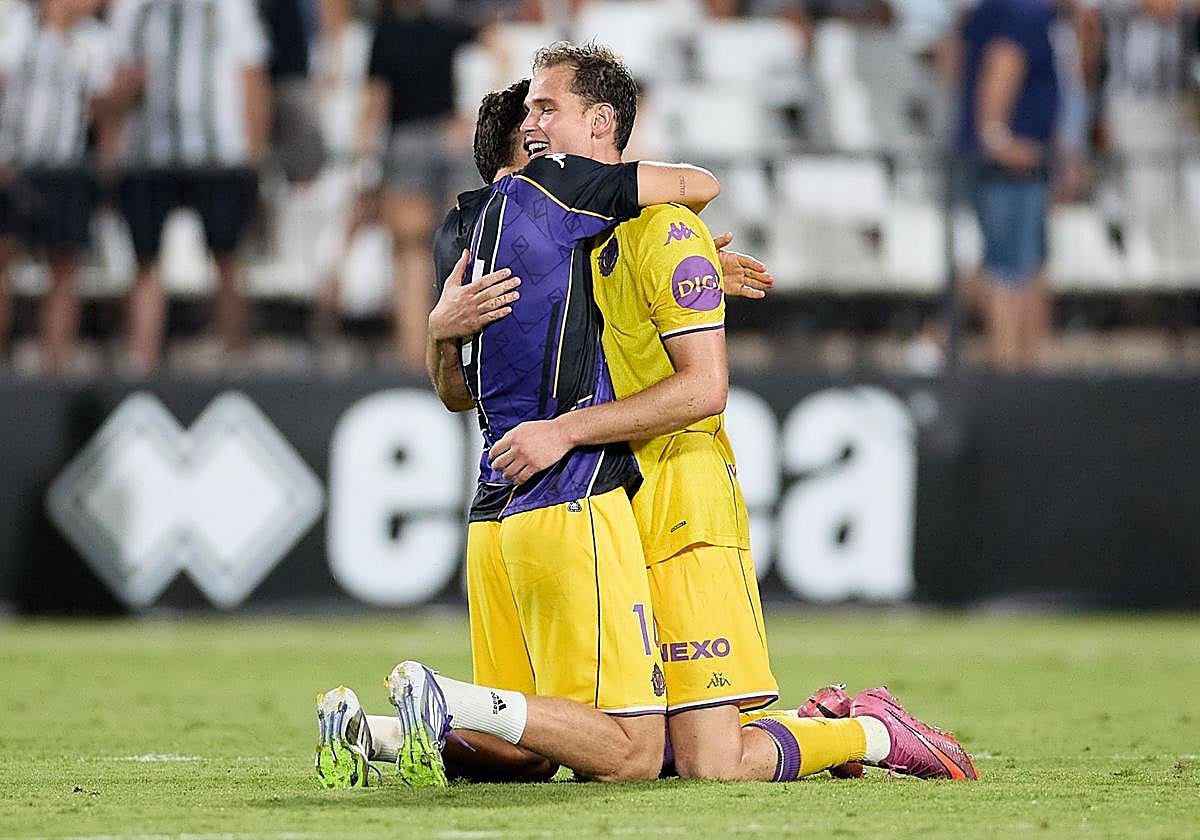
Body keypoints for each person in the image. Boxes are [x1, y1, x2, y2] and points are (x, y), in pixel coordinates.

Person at [485, 42, 979, 783]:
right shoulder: (578, 232)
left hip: (681, 506)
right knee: (632, 750)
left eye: (546, 109)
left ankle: (871, 731)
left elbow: (703, 389)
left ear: (600, 123)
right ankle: (824, 724)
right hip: (607, 516)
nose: (531, 125)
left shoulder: (667, 228)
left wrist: (564, 431)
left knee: (712, 765)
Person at [317, 79, 730, 788]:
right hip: (569, 498)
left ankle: (377, 735)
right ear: (532, 156)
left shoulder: (473, 237)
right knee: (633, 751)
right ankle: (444, 700)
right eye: (537, 124)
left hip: (492, 517)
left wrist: (435, 331)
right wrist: (680, 238)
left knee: (531, 746)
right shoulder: (556, 194)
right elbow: (700, 183)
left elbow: (453, 392)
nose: (548, 135)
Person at [108, 0, 271, 371]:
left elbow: (251, 72)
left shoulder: (231, 6)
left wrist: (255, 149)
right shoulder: (134, 8)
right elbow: (117, 75)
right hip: (149, 151)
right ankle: (142, 358)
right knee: (145, 257)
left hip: (218, 152)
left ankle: (235, 354)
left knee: (226, 254)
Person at [0, 0, 118, 373]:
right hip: (11, 165)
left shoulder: (96, 42)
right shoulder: (15, 27)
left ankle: (56, 363)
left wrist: (106, 170)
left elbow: (102, 112)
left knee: (64, 264)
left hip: (65, 168)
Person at [958, 0, 1060, 371]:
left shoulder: (1000, 9)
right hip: (1010, 165)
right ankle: (1013, 374)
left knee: (1021, 265)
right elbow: (1003, 64)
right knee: (1010, 271)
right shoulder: (1024, 10)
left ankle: (1022, 369)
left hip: (1014, 161)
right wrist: (997, 138)